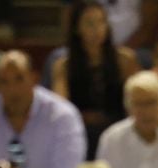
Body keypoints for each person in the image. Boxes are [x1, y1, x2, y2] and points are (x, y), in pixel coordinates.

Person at [52, 0, 137, 154]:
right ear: (77, 28)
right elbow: (61, 106)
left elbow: (134, 99)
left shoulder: (124, 60)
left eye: (101, 22)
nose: (97, 29)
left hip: (118, 130)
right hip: (80, 131)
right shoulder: (64, 66)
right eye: (90, 24)